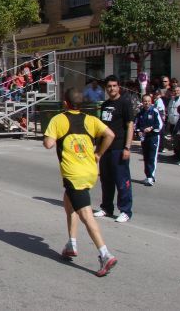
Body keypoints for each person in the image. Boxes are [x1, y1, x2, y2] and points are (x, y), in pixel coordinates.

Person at [43, 88, 117, 277]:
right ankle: (71, 243)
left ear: (65, 103)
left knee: (85, 213)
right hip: (90, 170)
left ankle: (104, 254)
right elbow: (110, 134)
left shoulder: (59, 120)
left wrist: (51, 135)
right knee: (69, 203)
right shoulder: (90, 119)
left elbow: (49, 144)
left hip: (73, 174)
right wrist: (98, 153)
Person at [95, 75, 134, 223]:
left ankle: (125, 210)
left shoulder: (125, 102)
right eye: (109, 86)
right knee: (106, 180)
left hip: (119, 148)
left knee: (122, 181)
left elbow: (130, 125)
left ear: (118, 87)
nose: (111, 88)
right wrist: (98, 148)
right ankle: (106, 207)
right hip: (106, 149)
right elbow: (102, 128)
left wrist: (127, 147)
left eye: (114, 86)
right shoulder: (105, 105)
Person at [134, 94, 163, 186]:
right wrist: (138, 131)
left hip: (153, 137)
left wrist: (151, 128)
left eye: (148, 101)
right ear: (142, 102)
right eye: (145, 101)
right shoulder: (140, 113)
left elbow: (160, 125)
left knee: (152, 157)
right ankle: (148, 176)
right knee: (146, 157)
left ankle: (151, 177)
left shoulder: (154, 111)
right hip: (144, 138)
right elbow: (136, 125)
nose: (147, 103)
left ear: (151, 102)